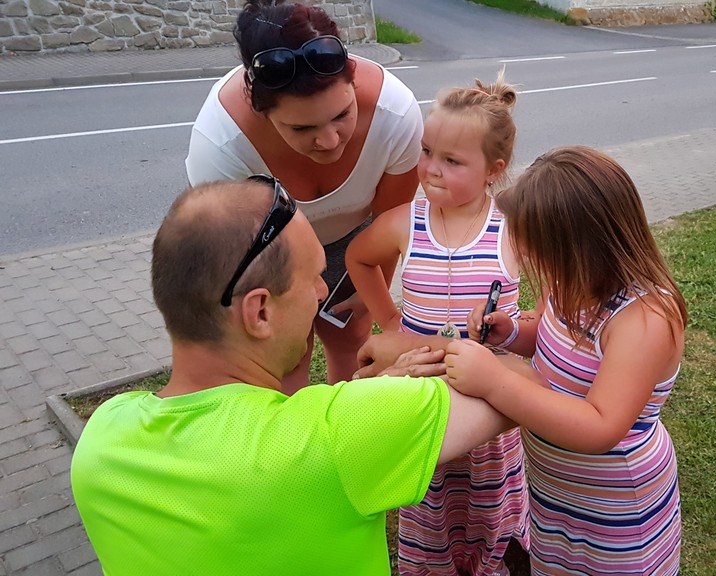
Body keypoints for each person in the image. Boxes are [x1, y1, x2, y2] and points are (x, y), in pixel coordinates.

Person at [69, 178, 514, 576]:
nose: (323, 292)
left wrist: (361, 395)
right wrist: (414, 349)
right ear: (260, 312)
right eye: (315, 278)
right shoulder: (342, 436)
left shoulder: (101, 443)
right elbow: (516, 384)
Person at [445, 146, 688, 575]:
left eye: (536, 247)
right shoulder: (568, 282)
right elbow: (554, 337)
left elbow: (599, 426)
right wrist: (513, 332)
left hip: (617, 512)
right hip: (557, 496)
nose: (525, 254)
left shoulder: (644, 319)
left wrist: (494, 381)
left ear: (581, 245)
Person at [185, 0, 422, 394]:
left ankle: (344, 424)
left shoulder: (395, 114)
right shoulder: (221, 144)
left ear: (353, 78)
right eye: (301, 128)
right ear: (260, 110)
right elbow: (237, 255)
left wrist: (373, 289)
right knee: (287, 353)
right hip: (266, 245)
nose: (329, 141)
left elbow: (389, 223)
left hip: (356, 237)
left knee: (351, 336)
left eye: (342, 115)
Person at [346, 73, 529, 576]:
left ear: (494, 170)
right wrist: (389, 322)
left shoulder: (511, 230)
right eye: (427, 152)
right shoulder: (407, 221)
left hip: (487, 405)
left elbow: (554, 298)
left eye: (452, 160)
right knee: (429, 505)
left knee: (488, 513)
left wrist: (518, 328)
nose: (431, 168)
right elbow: (359, 257)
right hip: (419, 398)